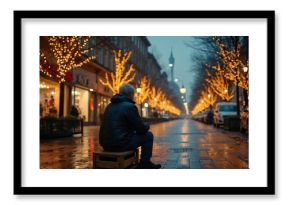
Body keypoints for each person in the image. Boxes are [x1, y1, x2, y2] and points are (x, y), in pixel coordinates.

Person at [99, 84, 161, 169]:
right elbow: (141, 129)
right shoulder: (130, 107)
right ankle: (145, 163)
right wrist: (146, 125)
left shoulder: (109, 106)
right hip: (120, 144)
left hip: (105, 144)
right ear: (131, 95)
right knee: (148, 135)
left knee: (134, 134)